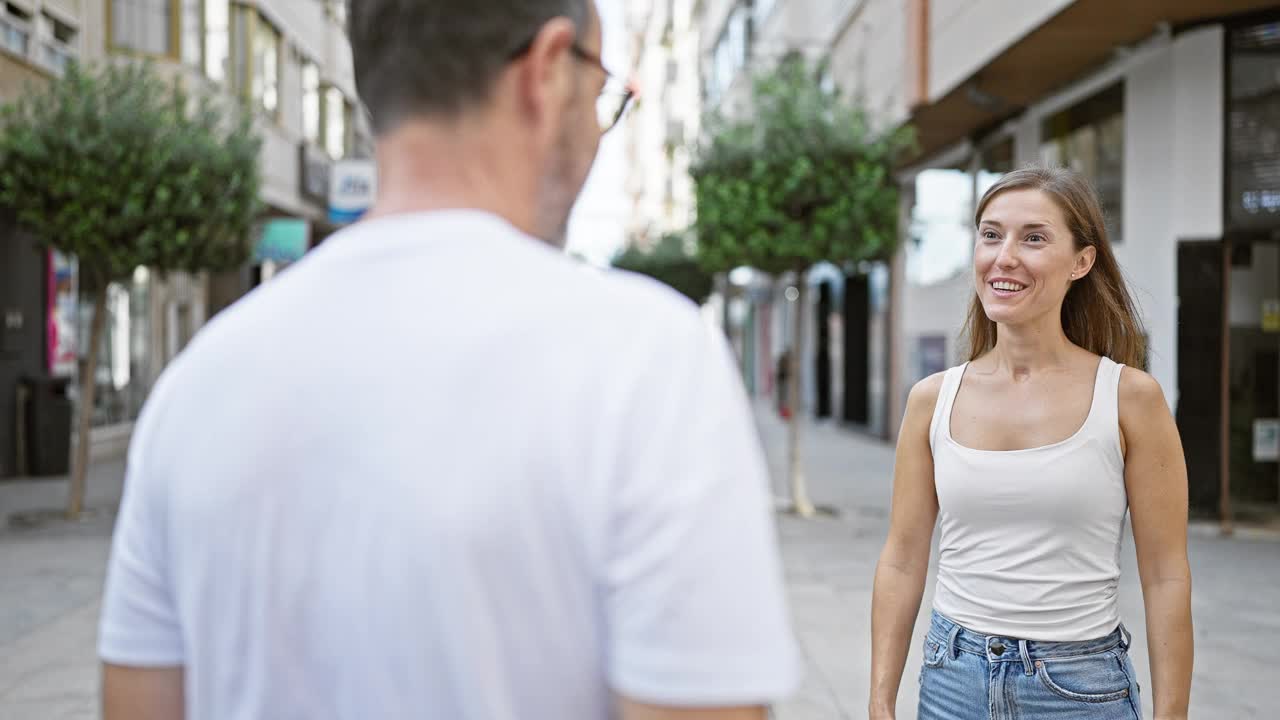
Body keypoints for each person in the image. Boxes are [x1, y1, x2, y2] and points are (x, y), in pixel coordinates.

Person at [98, 2, 800, 719]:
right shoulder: (649, 364)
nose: (596, 129)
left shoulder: (194, 388)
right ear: (549, 70)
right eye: (600, 98)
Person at [868, 166, 1193, 720]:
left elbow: (1166, 575)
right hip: (952, 683)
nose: (1004, 256)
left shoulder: (1129, 399)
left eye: (1034, 238)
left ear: (1081, 262)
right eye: (991, 234)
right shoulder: (931, 400)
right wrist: (880, 701)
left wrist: (1172, 715)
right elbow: (902, 559)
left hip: (1078, 688)